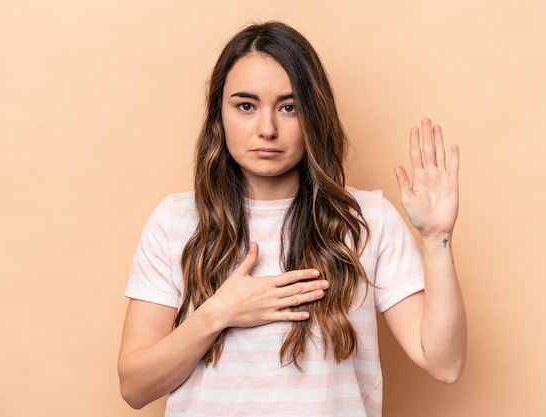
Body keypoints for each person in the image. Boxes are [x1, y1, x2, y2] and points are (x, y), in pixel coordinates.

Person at [118, 21, 466, 417]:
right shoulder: (175, 221)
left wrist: (437, 237)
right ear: (219, 115)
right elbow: (134, 387)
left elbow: (444, 363)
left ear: (313, 116)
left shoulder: (367, 220)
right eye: (245, 106)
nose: (267, 129)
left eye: (289, 107)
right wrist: (218, 313)